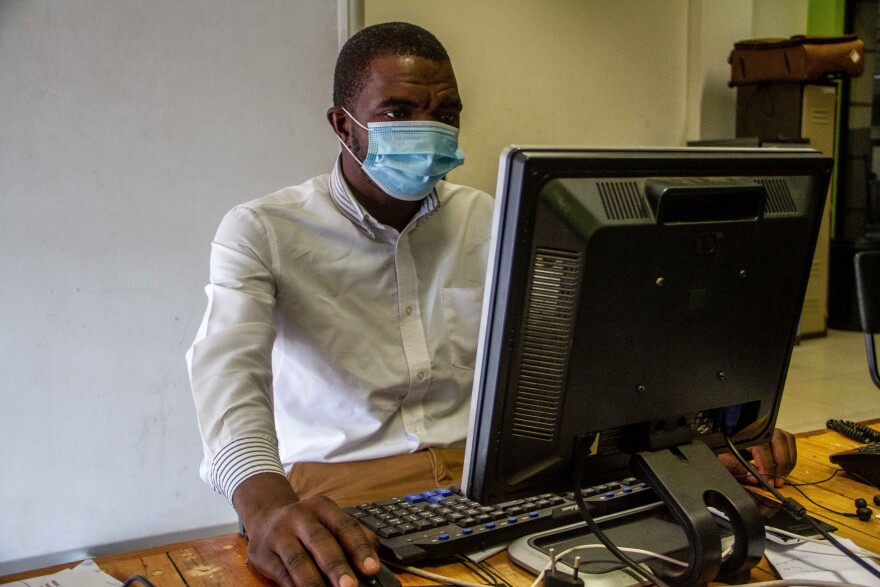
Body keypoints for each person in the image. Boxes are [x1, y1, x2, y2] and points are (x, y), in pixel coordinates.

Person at [187, 21, 797, 587]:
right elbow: (228, 375)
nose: (429, 128)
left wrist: (694, 431)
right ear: (343, 126)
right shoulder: (263, 230)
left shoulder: (500, 217)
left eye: (445, 113)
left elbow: (586, 355)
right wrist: (264, 508)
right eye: (399, 112)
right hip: (340, 482)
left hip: (489, 477)